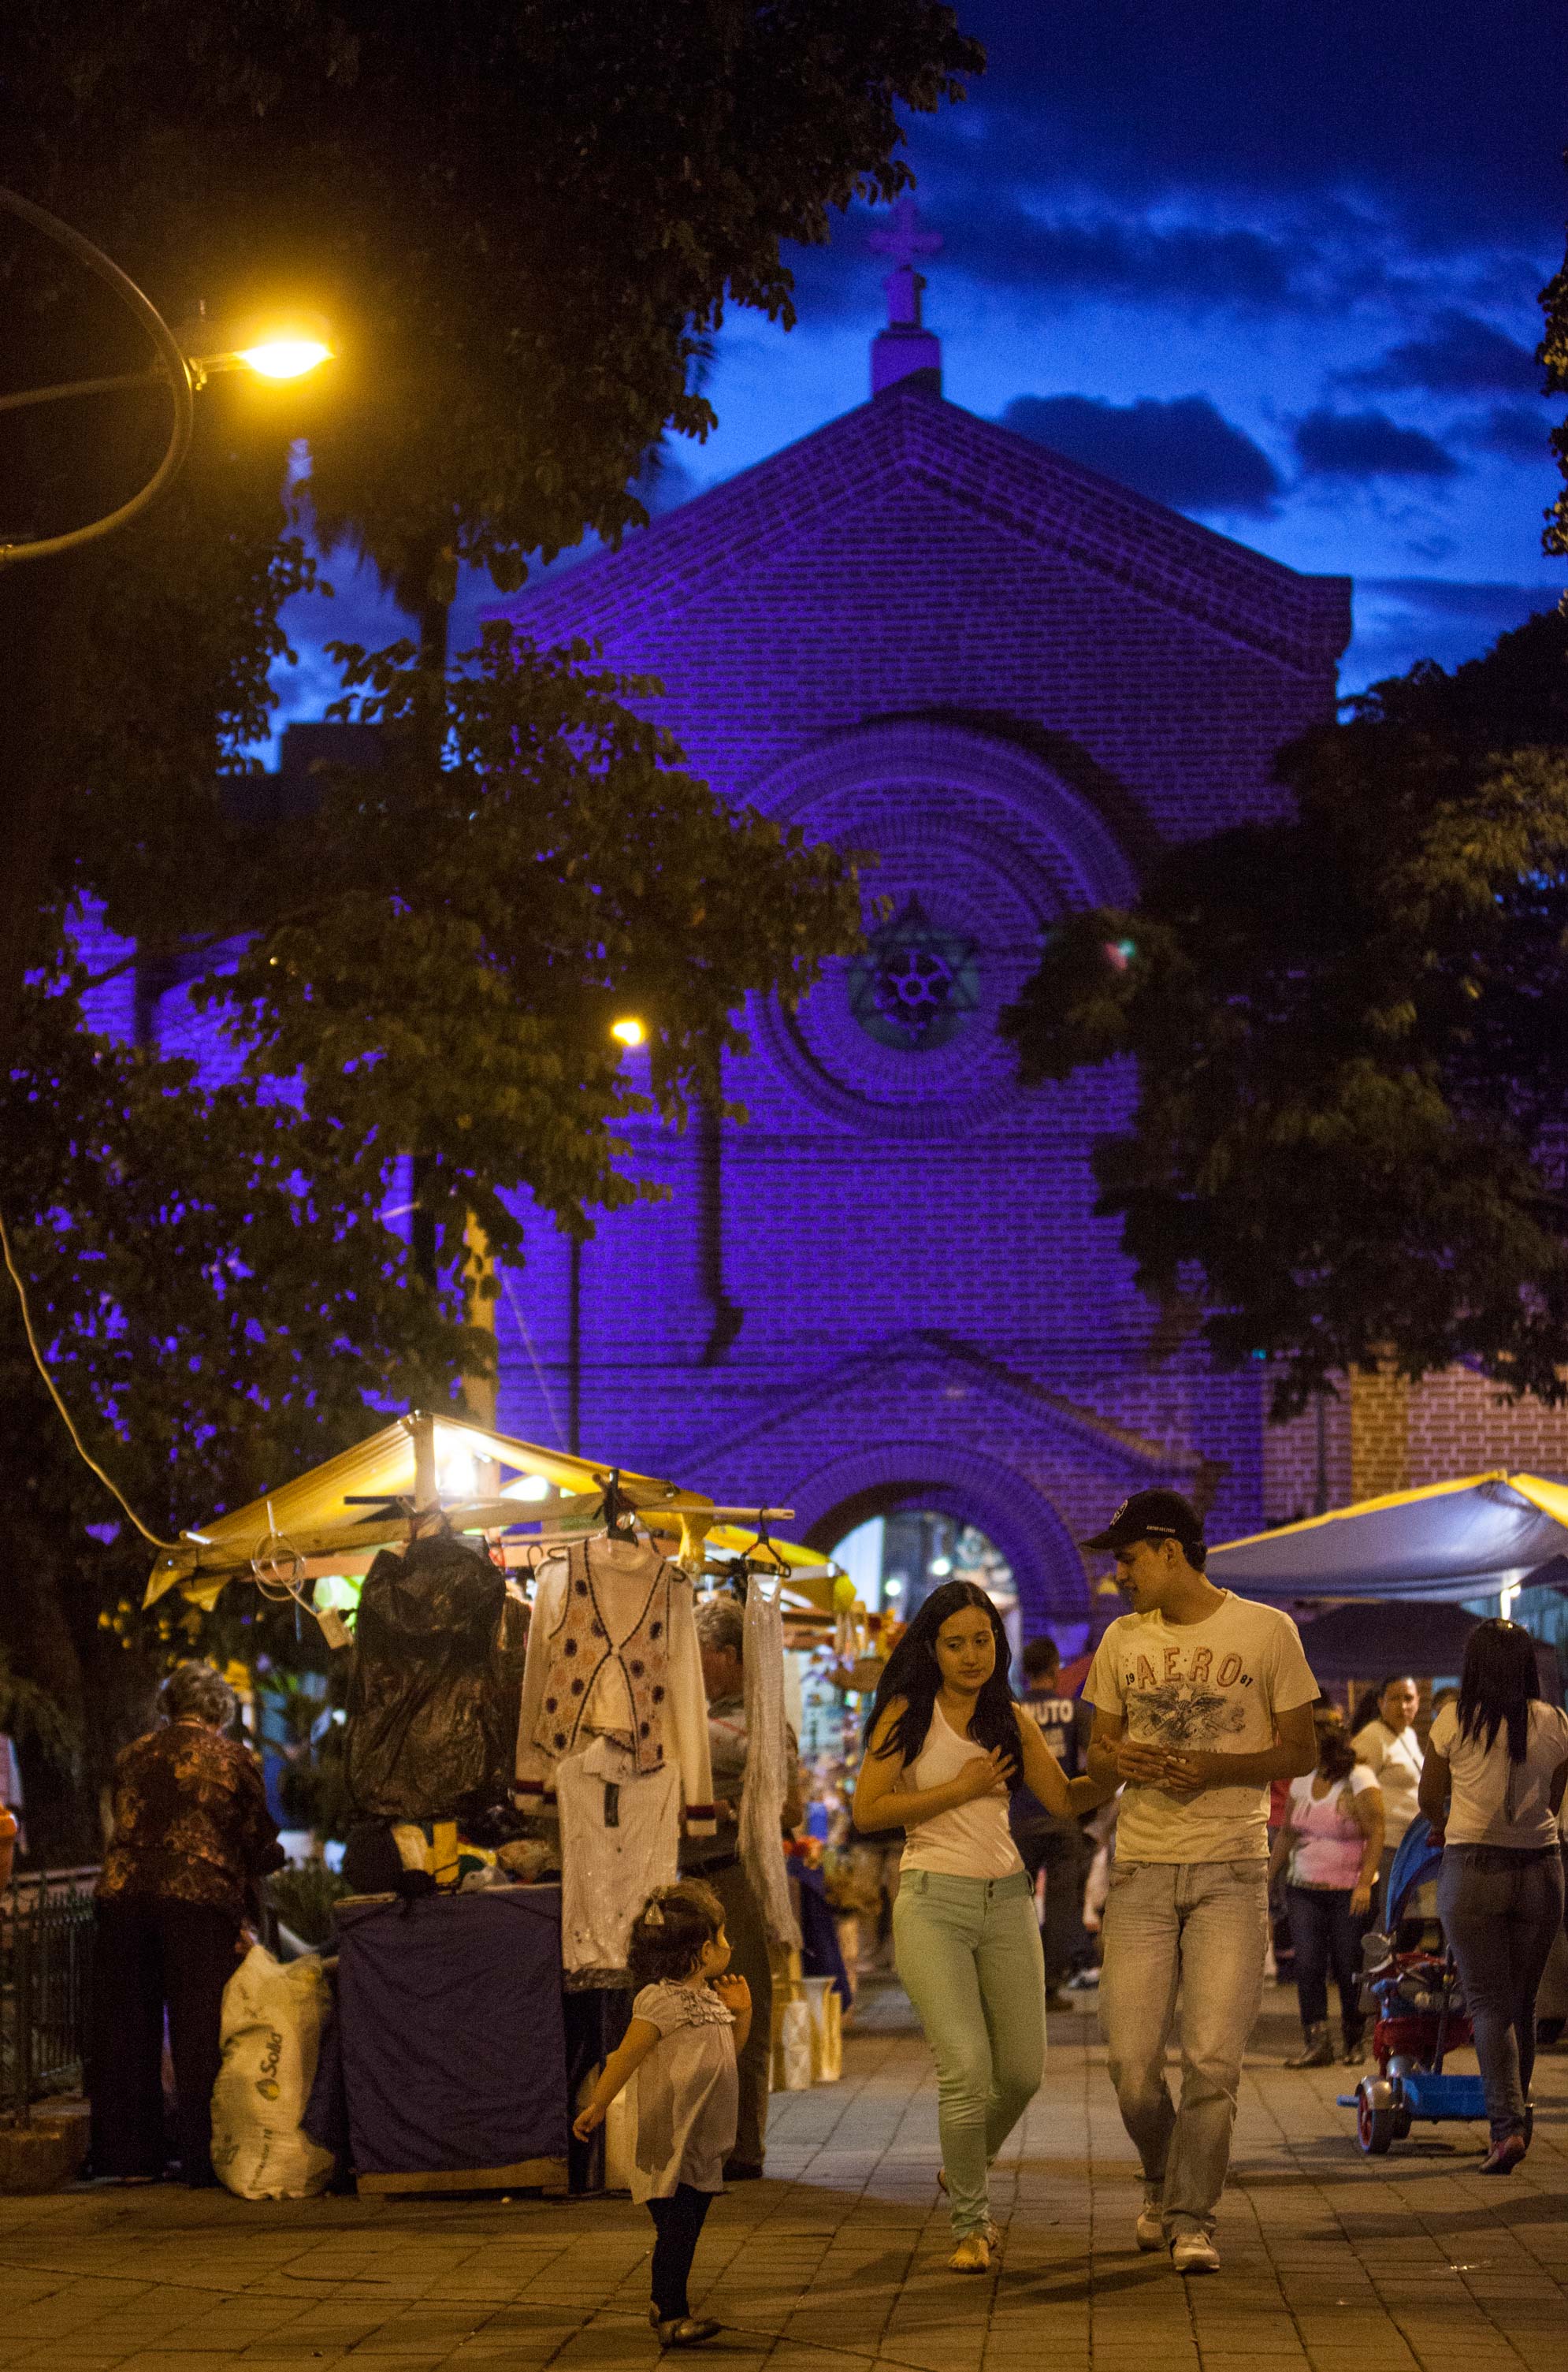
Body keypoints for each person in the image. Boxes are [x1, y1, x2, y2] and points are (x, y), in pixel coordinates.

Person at [1083, 1489, 1317, 2277]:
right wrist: (1126, 1761)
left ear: (1170, 1550)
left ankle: (1190, 2214)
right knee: (1132, 2065)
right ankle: (1161, 2173)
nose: (1118, 1573)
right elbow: (1097, 1754)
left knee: (1212, 2060)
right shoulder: (1121, 1638)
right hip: (1142, 1868)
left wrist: (1215, 1766)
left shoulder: (1266, 1629)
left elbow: (1301, 1747)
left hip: (1230, 1868)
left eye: (1127, 1557)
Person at [853, 1578, 1110, 2274]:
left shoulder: (1011, 1718)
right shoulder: (905, 1715)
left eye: (983, 1640)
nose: (972, 1655)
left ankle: (963, 2161)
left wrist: (1119, 1776)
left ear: (998, 1642)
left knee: (1023, 2073)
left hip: (1006, 1900)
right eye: (956, 1643)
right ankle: (972, 2224)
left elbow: (1063, 1798)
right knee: (966, 2069)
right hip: (931, 1899)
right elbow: (868, 1811)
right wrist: (957, 1791)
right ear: (932, 1648)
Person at [89, 1660, 283, 2186]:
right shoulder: (233, 1757)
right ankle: (202, 2157)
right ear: (221, 1710)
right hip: (196, 1901)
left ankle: (131, 2159)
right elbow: (254, 1834)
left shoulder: (133, 1755)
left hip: (124, 1897)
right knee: (199, 2027)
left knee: (131, 2026)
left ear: (169, 1708)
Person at [1418, 1619, 1568, 2173]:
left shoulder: (1455, 1719)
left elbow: (1430, 1797)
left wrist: (1449, 1823)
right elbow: (1554, 1798)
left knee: (1487, 2003)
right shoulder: (1555, 1721)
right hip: (1541, 1871)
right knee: (1521, 2004)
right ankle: (1518, 2122)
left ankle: (1505, 2129)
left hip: (1473, 1867)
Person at [574, 1879, 751, 2348]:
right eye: (723, 1937)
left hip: (703, 2138)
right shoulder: (660, 2001)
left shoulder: (711, 1999)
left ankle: (664, 2301)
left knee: (687, 2226)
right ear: (700, 1951)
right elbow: (626, 2057)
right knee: (677, 2226)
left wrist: (743, 2011)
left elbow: (729, 2054)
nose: (728, 1946)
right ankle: (671, 2314)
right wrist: (597, 2104)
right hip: (669, 2139)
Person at [679, 1594, 802, 2179]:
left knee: (742, 2010)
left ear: (726, 1655)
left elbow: (790, 1810)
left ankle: (746, 2149)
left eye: (699, 1655)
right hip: (685, 1883)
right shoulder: (688, 1717)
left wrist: (728, 1811)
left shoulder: (763, 1722)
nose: (693, 1667)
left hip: (735, 1876)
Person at [1268, 1701, 1383, 2067]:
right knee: (1309, 1964)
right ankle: (1316, 2040)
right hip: (1304, 1887)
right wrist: (1268, 1876)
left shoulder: (1360, 1779)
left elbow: (1377, 1830)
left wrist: (1365, 1883)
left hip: (1348, 1890)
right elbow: (1287, 1832)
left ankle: (1353, 2039)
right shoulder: (1303, 1779)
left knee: (1348, 1963)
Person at [1010, 1634, 1096, 2008]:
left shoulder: (1011, 1712)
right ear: (1055, 1668)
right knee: (1063, 1908)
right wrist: (1086, 1812)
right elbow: (1098, 1763)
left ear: (1025, 1672)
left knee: (1013, 1908)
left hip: (1018, 1823)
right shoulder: (1073, 1711)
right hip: (1063, 1822)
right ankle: (1049, 1986)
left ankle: (1015, 1985)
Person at [1351, 1674, 1423, 1914]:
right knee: (1385, 1920)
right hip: (1386, 1847)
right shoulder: (1372, 1737)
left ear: (1418, 1702)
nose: (1403, 1706)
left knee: (1403, 1922)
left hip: (1409, 1846)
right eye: (1394, 1699)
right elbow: (1355, 1789)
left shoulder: (1408, 1735)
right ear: (1380, 1703)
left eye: (1408, 1698)